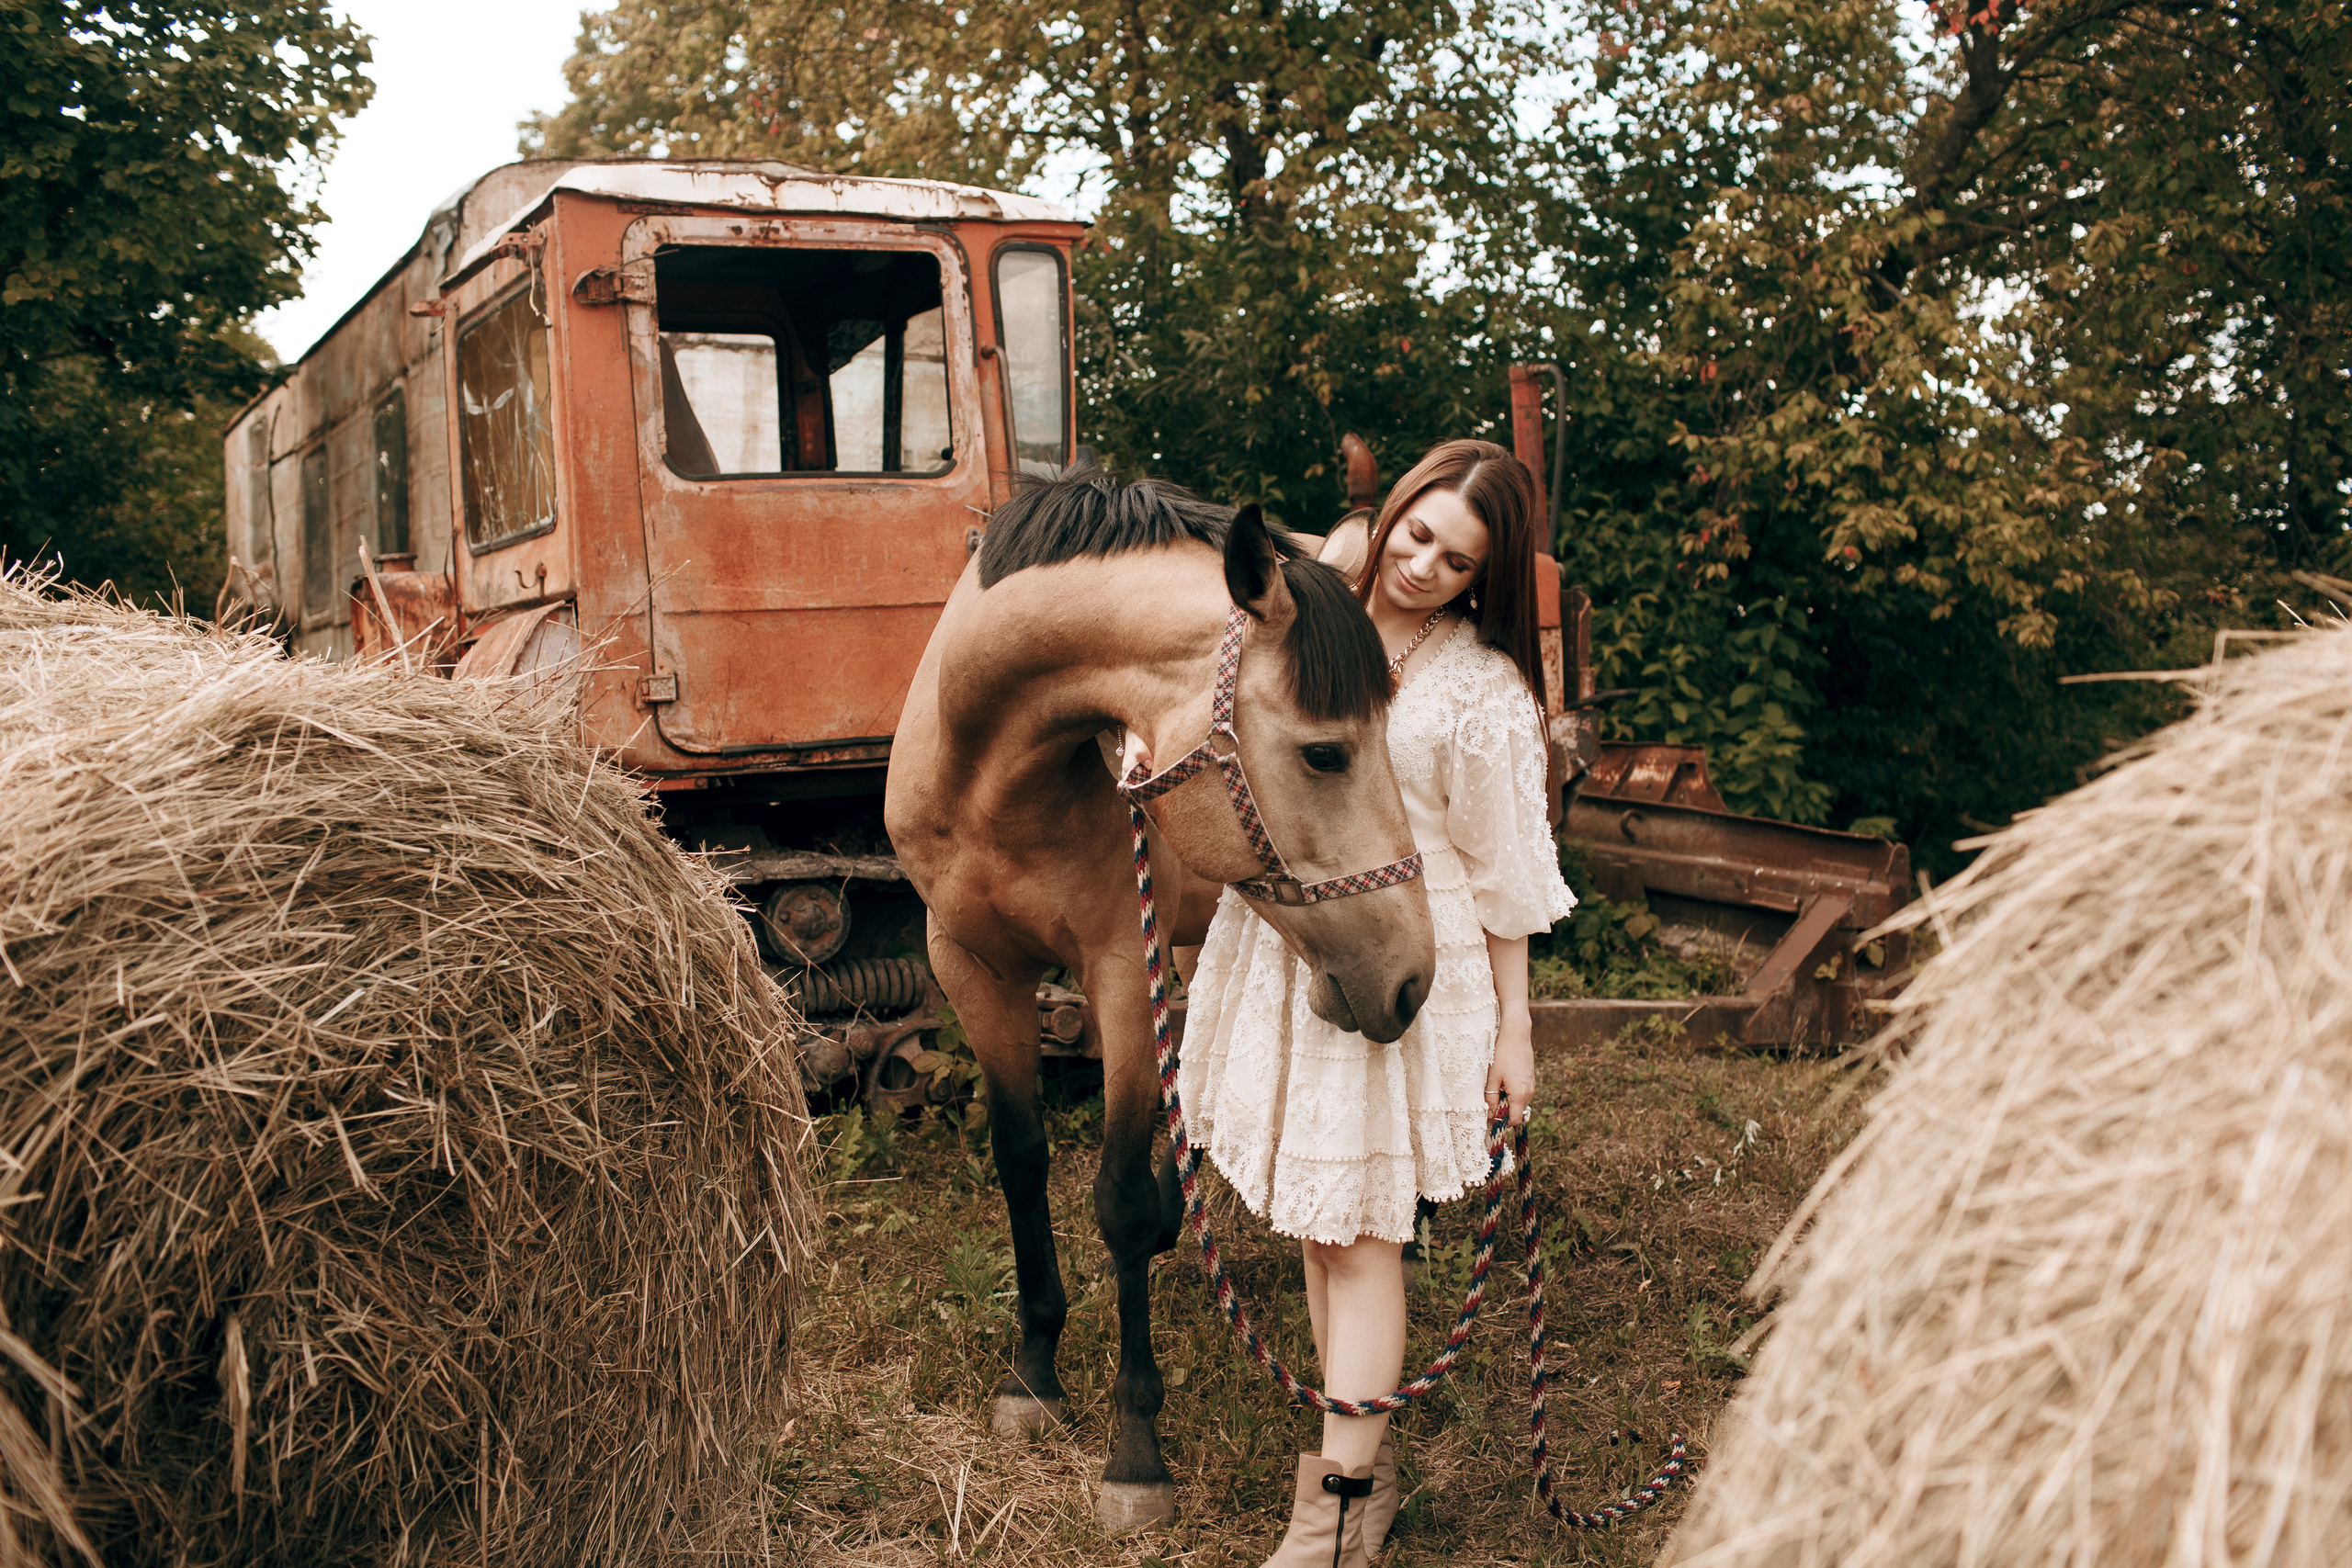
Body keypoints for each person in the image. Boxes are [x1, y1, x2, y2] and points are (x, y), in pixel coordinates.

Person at [1179, 439, 1576, 1566]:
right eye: (1417, 534)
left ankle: (1336, 1523)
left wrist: (1515, 1029)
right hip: (1296, 943)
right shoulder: (1307, 618)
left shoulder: (1480, 693)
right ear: (1393, 510)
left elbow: (1504, 882)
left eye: (1456, 562)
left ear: (1480, 578)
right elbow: (1229, 732)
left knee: (1360, 1241)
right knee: (1324, 1232)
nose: (1424, 567)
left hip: (1402, 963)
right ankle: (1364, 1466)